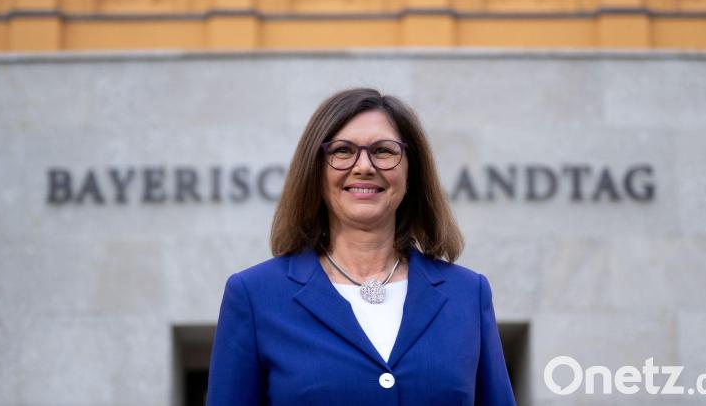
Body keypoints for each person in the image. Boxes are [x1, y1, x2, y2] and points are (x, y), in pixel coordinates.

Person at [206, 88, 515, 405]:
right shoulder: (254, 296)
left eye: (383, 151)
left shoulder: (468, 294)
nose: (364, 166)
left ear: (411, 171)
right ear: (316, 170)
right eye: (342, 151)